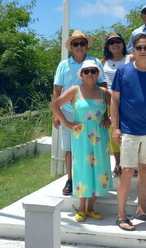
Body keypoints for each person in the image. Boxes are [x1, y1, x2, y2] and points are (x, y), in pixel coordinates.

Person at [111, 33, 146, 231]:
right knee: (126, 171)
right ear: (133, 51)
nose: (142, 51)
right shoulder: (123, 72)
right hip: (128, 130)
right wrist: (114, 127)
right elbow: (114, 100)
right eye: (139, 48)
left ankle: (141, 209)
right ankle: (121, 215)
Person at [50, 60, 113, 221]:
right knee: (83, 168)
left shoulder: (104, 92)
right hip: (81, 136)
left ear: (98, 73)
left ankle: (92, 208)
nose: (90, 74)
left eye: (93, 71)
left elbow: (113, 108)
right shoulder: (74, 90)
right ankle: (81, 208)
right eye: (87, 71)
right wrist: (66, 123)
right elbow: (55, 105)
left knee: (98, 169)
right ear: (82, 74)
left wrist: (109, 119)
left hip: (100, 136)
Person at [53, 30, 106, 196]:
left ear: (86, 45)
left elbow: (103, 87)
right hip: (69, 112)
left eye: (82, 43)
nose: (79, 46)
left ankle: (91, 180)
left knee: (92, 149)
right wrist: (56, 115)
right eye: (75, 44)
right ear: (71, 47)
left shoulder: (94, 62)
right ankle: (71, 179)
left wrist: (106, 115)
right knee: (70, 148)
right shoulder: (63, 65)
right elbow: (57, 90)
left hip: (92, 114)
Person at [101, 32, 131, 176]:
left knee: (130, 133)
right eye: (111, 42)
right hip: (109, 102)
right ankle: (118, 163)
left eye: (118, 41)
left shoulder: (131, 58)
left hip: (128, 102)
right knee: (114, 132)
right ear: (107, 46)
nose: (115, 44)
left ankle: (131, 164)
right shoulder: (102, 62)